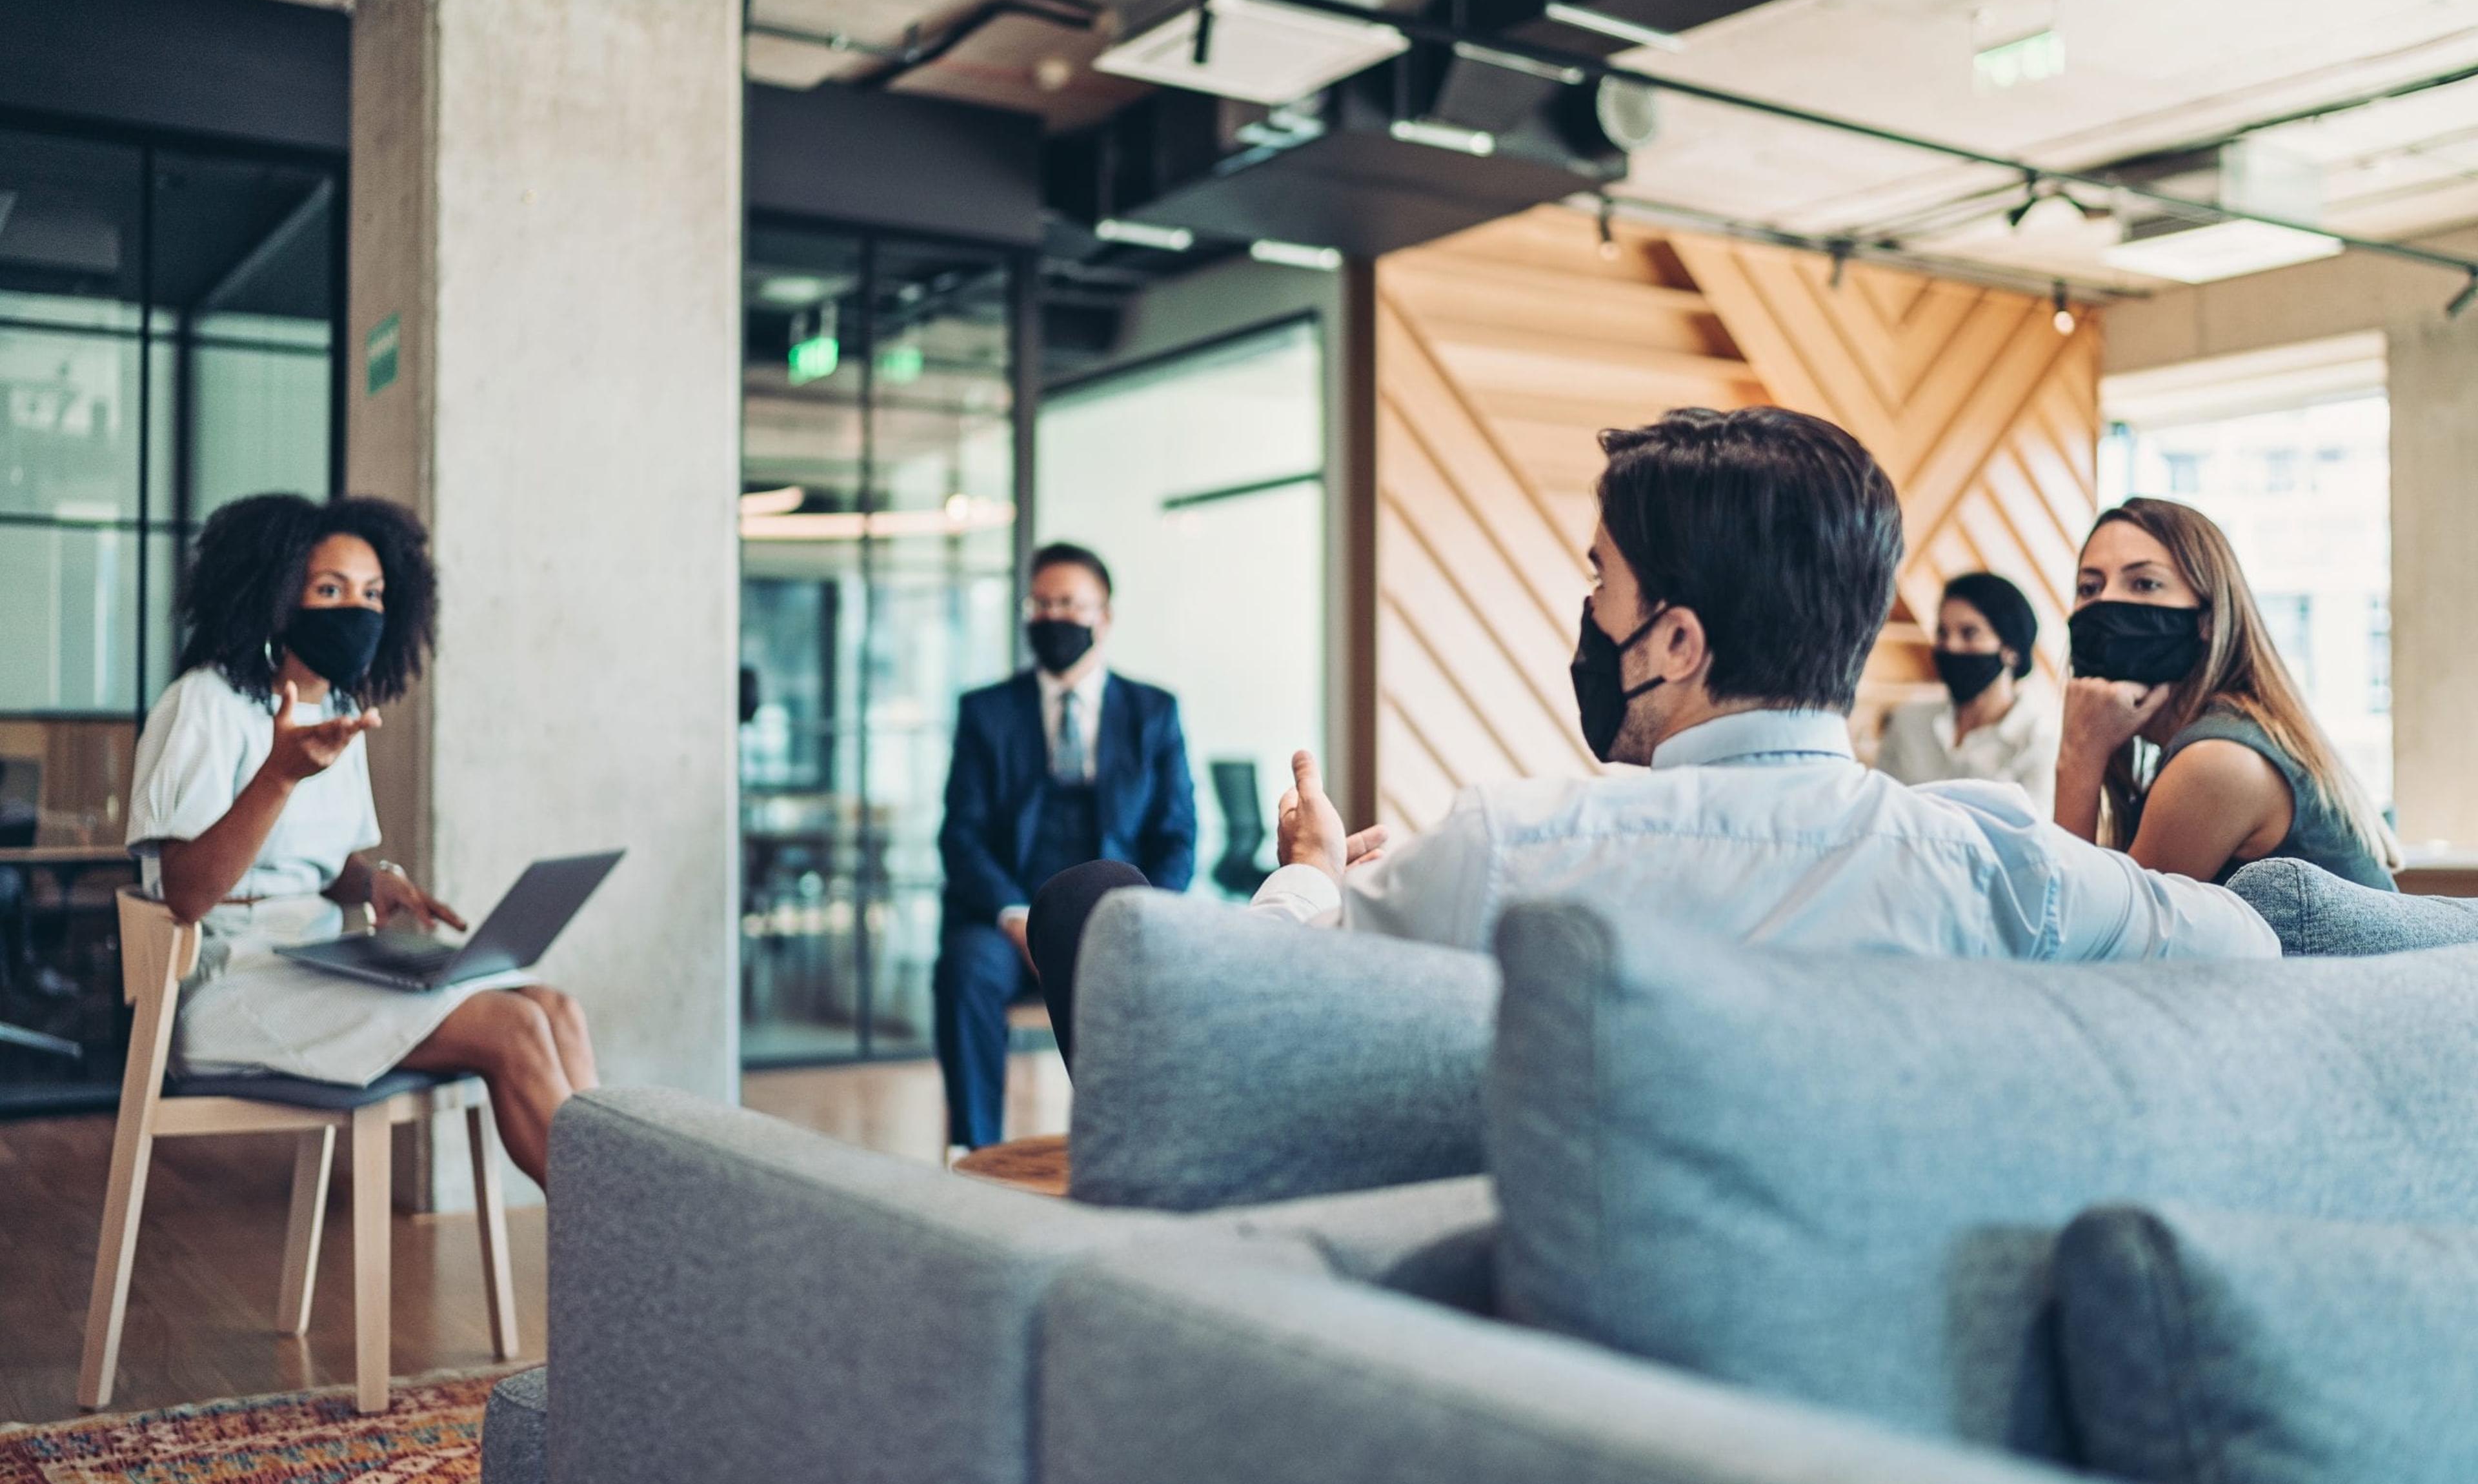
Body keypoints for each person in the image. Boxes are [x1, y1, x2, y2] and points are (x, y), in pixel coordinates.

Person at [1025, 408, 2273, 1047]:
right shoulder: (1994, 861)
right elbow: (2247, 950)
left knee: (1091, 896)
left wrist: (1307, 882)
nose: (1585, 612)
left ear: (1674, 641)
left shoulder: (1513, 847)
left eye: (1599, 581)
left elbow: (1228, 1024)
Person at [126, 493, 594, 1184]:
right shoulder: (203, 704)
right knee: (513, 1029)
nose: (360, 610)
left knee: (554, 1006)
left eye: (374, 592)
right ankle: (627, 1251)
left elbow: (322, 865)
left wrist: (373, 882)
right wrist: (277, 778)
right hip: (228, 986)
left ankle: (627, 1223)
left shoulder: (340, 708)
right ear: (277, 595)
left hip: (321, 961)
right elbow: (187, 894)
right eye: (330, 589)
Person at [934, 542, 1195, 1149]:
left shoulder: (1154, 712)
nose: (1054, 617)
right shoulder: (986, 712)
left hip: (1117, 915)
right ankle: (975, 1153)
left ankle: (1138, 1150)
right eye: (1042, 603)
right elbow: (961, 834)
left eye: (1070, 603)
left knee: (1164, 972)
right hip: (1008, 922)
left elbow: (1177, 835)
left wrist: (1140, 918)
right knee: (965, 969)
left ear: (1104, 616)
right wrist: (1014, 916)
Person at [2055, 497, 2398, 891]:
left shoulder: (2217, 761)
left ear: (2208, 619)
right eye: (2089, 587)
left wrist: (2079, 755)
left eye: (2145, 583)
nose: (2107, 603)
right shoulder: (2210, 741)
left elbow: (2081, 930)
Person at [1876, 571, 2059, 808]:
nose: (1951, 646)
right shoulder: (1907, 722)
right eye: (1942, 633)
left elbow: (2032, 840)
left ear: (2011, 650)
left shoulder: (2038, 746)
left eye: (1969, 633)